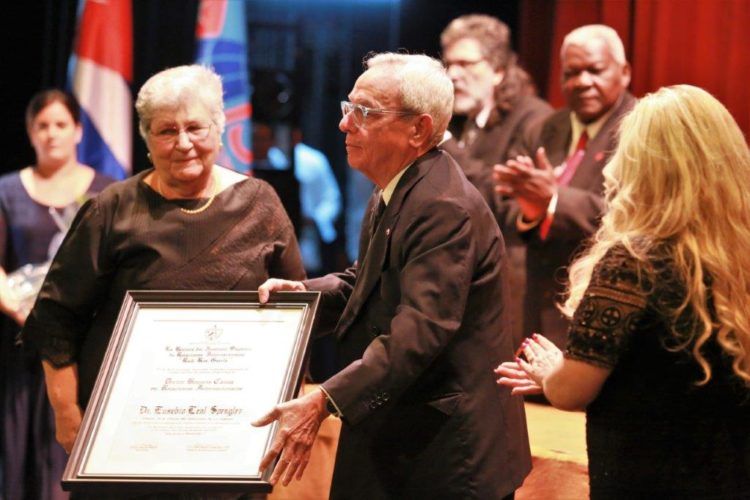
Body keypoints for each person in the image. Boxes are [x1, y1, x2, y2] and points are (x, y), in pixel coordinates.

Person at [253, 53, 530, 499]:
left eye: (364, 112)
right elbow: (368, 281)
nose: (345, 124)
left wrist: (325, 399)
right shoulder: (400, 185)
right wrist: (302, 296)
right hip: (408, 440)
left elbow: (419, 332)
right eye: (348, 107)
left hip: (448, 460)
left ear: (418, 129)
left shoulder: (442, 207)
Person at [21, 66, 305, 464]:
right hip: (123, 439)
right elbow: (55, 319)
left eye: (195, 127)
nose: (183, 142)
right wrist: (67, 415)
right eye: (166, 130)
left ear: (219, 128)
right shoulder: (112, 209)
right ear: (147, 138)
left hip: (232, 438)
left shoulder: (260, 204)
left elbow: (296, 314)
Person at [496, 85, 750, 498]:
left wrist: (550, 372)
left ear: (640, 164)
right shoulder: (739, 254)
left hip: (648, 477)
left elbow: (572, 390)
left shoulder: (633, 263)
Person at [0, 90, 114, 500]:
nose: (52, 134)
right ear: (30, 133)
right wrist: (19, 308)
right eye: (42, 126)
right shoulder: (7, 190)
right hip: (21, 342)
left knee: (67, 451)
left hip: (82, 345)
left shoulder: (108, 192)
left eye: (61, 124)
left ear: (78, 131)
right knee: (19, 451)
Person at [494, 24, 635, 349]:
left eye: (594, 70)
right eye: (571, 73)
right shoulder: (543, 128)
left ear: (624, 72)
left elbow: (636, 214)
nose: (583, 82)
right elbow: (512, 202)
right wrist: (531, 213)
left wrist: (554, 201)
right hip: (535, 303)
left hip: (604, 304)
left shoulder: (642, 128)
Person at [440, 14, 553, 347]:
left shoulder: (534, 119)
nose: (453, 74)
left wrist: (443, 143)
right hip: (456, 281)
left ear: (499, 70)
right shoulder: (459, 123)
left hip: (506, 292)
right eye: (448, 63)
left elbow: (504, 198)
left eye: (465, 63)